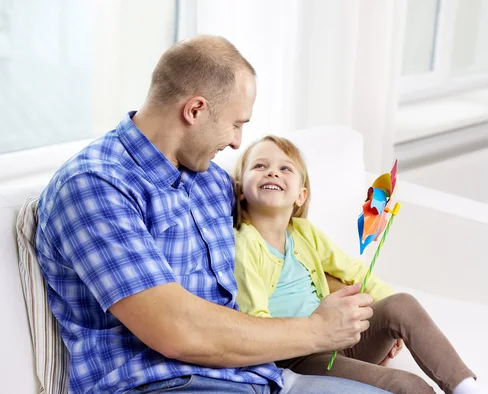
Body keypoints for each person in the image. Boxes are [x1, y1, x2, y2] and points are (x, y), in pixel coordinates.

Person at [35, 35, 390, 394]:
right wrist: (318, 330)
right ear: (195, 110)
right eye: (236, 124)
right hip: (164, 384)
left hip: (259, 377)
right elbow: (175, 329)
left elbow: (276, 256)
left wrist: (350, 308)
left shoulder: (213, 183)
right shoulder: (95, 186)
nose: (237, 142)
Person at [232, 135, 484, 394]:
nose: (273, 172)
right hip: (301, 357)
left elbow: (353, 271)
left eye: (285, 168)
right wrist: (314, 333)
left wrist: (387, 322)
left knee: (401, 303)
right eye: (260, 166)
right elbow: (256, 325)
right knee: (407, 385)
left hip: (341, 338)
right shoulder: (244, 244)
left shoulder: (304, 232)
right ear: (240, 188)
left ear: (300, 194)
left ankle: (466, 388)